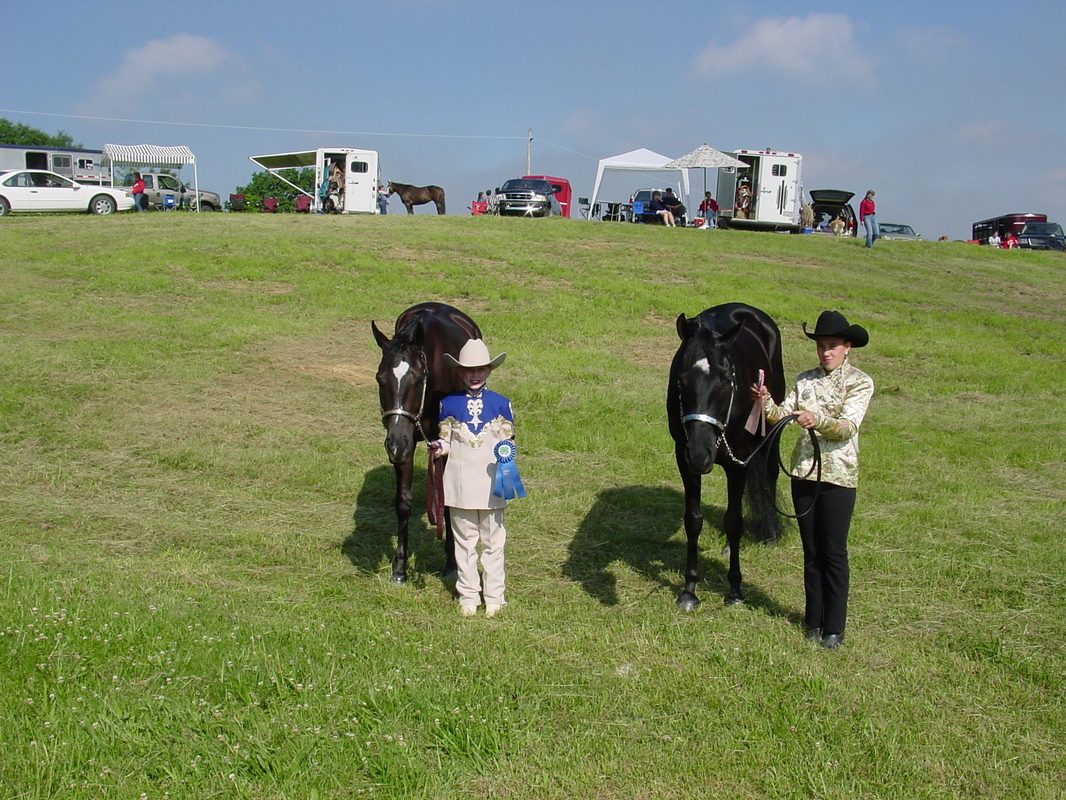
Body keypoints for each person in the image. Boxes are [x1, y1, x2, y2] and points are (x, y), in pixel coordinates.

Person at [752, 310, 874, 649]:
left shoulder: (860, 382)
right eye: (821, 346)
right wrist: (764, 402)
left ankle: (834, 626)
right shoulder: (804, 380)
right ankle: (812, 620)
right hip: (804, 472)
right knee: (811, 551)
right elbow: (783, 414)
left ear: (848, 347)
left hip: (839, 476)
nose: (826, 352)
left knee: (833, 551)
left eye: (832, 345)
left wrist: (815, 418)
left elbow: (847, 427)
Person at [429, 339, 519, 617]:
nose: (475, 374)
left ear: (490, 370)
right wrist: (438, 447)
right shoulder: (448, 404)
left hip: (493, 485)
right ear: (459, 372)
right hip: (460, 484)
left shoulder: (501, 404)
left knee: (493, 542)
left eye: (481, 369)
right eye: (469, 370)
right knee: (464, 542)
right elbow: (446, 441)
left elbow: (508, 443)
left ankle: (495, 595)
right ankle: (468, 595)